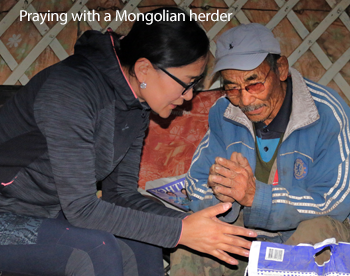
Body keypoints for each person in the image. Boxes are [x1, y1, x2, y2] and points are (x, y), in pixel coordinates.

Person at [0, 8, 257, 276]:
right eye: (187, 83)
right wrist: (180, 232)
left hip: (48, 214)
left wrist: (190, 223)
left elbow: (121, 194)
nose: (190, 96)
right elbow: (81, 208)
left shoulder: (136, 106)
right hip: (8, 212)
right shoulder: (70, 91)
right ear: (144, 69)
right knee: (95, 249)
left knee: (141, 242)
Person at [170, 23, 350, 276]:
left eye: (254, 84)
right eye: (232, 87)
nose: (245, 100)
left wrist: (258, 198)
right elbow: (197, 183)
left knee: (318, 231)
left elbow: (335, 202)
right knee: (192, 239)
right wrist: (224, 195)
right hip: (248, 236)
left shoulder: (326, 113)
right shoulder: (224, 112)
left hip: (304, 235)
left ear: (281, 70)